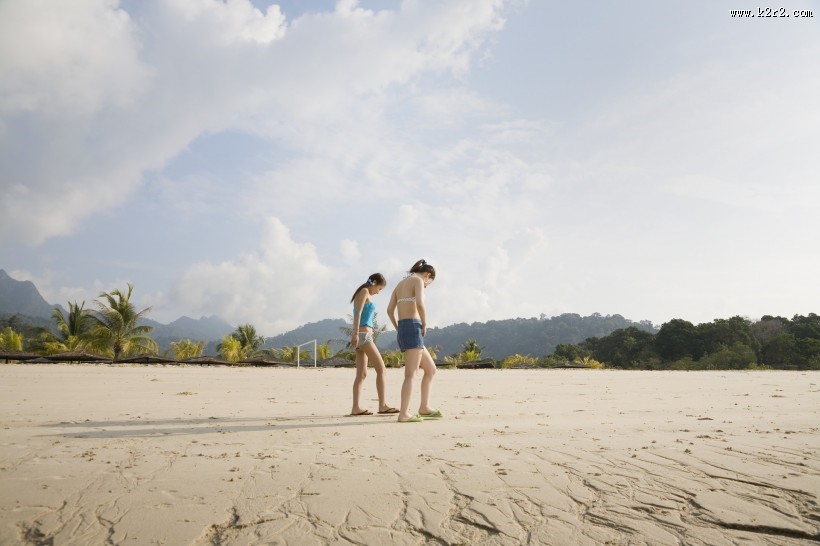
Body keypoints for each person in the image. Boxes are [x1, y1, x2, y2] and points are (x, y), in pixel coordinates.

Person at [387, 259, 443, 423]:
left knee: (431, 369)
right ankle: (403, 413)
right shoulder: (418, 280)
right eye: (428, 284)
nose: (426, 286)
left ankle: (424, 407)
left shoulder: (400, 284)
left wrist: (398, 326)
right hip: (413, 326)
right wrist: (424, 322)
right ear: (427, 276)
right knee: (411, 374)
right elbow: (419, 303)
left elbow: (390, 310)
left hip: (404, 328)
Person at [349, 273, 398, 416]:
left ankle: (356, 408)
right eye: (380, 289)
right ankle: (382, 405)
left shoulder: (364, 292)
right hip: (363, 336)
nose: (379, 292)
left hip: (363, 336)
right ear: (374, 282)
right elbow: (357, 314)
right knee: (382, 369)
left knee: (362, 374)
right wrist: (356, 334)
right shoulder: (364, 291)